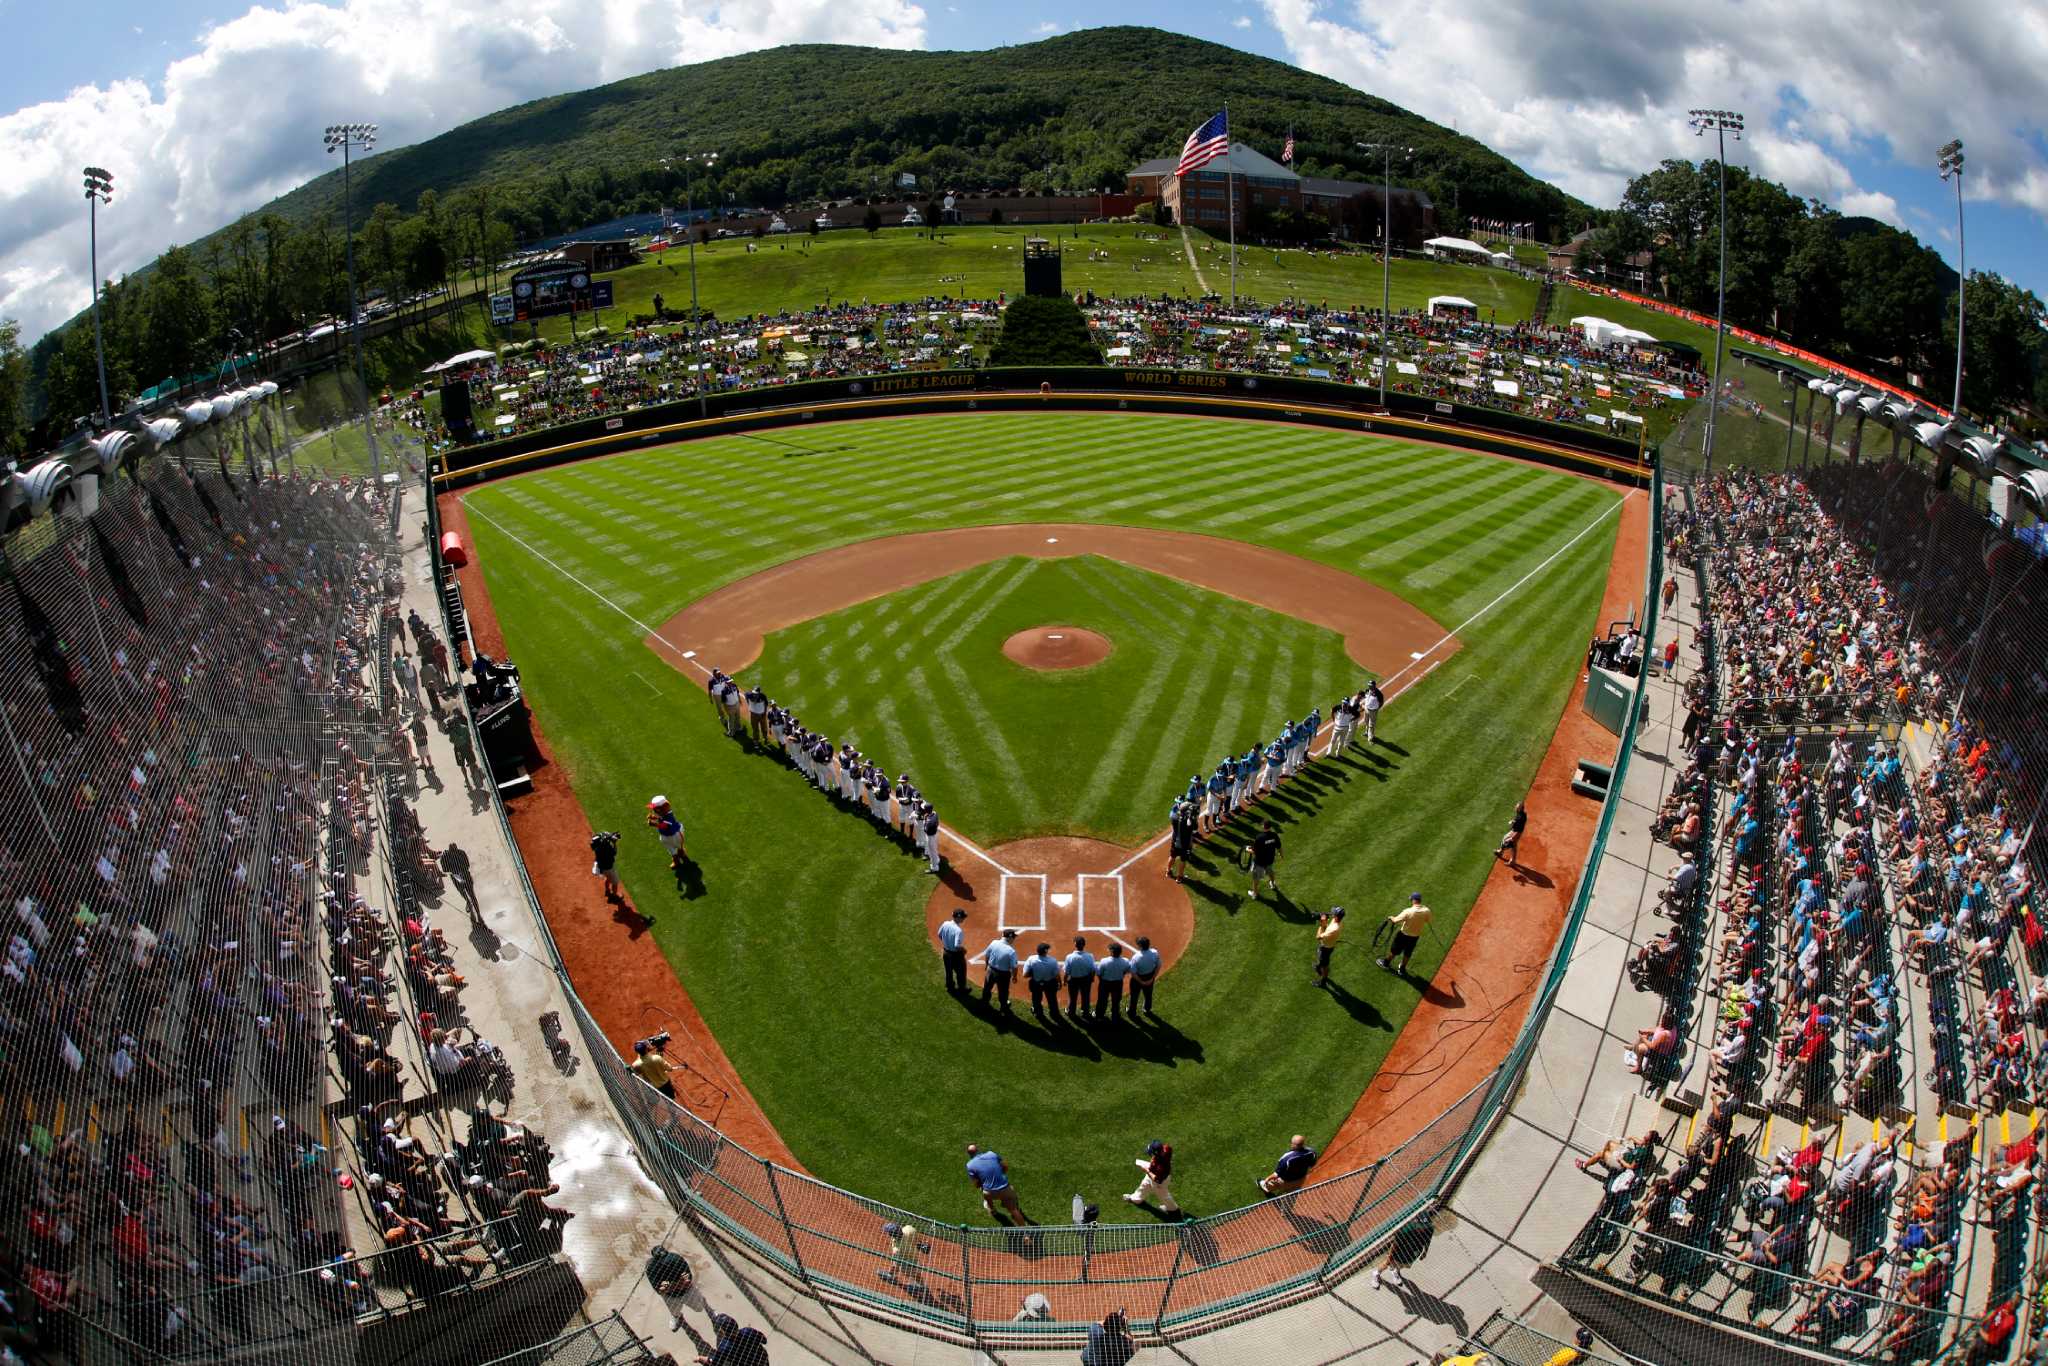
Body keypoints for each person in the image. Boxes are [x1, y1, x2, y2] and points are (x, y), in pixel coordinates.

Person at [1371, 1199, 1438, 1288]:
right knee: (1387, 1263)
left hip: (1413, 1252)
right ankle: (1376, 1274)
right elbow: (1395, 1244)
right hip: (1400, 1250)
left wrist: (1425, 1252)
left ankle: (1395, 1272)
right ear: (1416, 1222)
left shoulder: (1429, 1229)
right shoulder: (1405, 1230)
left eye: (1424, 1226)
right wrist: (1390, 1257)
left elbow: (1427, 1240)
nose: (1422, 1229)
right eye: (1420, 1226)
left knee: (1402, 1265)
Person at [965, 1143, 1034, 1224]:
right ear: (978, 1149)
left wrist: (983, 1183)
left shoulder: (970, 1165)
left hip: (990, 1193)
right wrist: (1000, 1175)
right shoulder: (991, 1154)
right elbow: (1005, 1167)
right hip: (1006, 1190)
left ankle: (992, 1209)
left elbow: (977, 1184)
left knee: (985, 1192)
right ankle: (1026, 1234)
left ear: (969, 1154)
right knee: (1014, 1210)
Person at [1378, 893, 1432, 975]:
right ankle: (1402, 969)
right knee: (1408, 952)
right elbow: (1428, 920)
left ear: (1414, 900)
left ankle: (1385, 963)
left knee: (1395, 950)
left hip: (1403, 935)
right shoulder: (1427, 911)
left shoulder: (1408, 911)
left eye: (1411, 899)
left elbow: (1395, 920)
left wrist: (1391, 917)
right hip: (1415, 937)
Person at [1124, 1140, 1179, 1215]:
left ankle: (1173, 1210)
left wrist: (1146, 1170)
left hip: (1159, 1182)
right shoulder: (1166, 1148)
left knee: (1163, 1195)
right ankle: (1136, 1199)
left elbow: (1157, 1179)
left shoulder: (1161, 1167)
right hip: (1155, 1173)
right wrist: (1152, 1163)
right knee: (1144, 1186)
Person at [696, 1311, 769, 1366]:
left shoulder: (724, 1347)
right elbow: (764, 1340)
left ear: (723, 1331)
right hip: (762, 1361)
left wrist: (699, 1358)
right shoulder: (748, 1331)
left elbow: (714, 1362)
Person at [876, 1219, 928, 1290]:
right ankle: (891, 1275)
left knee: (915, 1274)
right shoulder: (908, 1229)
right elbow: (916, 1238)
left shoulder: (897, 1248)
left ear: (892, 1235)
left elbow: (897, 1256)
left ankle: (922, 1286)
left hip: (909, 1260)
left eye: (888, 1233)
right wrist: (921, 1245)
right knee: (896, 1264)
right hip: (911, 1251)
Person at [981, 929, 1019, 1012]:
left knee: (987, 988)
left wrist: (987, 964)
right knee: (1003, 992)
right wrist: (1014, 976)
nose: (1014, 939)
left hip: (990, 970)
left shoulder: (994, 942)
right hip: (1003, 975)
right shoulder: (1011, 951)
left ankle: (984, 1003)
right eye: (1013, 938)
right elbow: (1014, 967)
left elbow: (987, 954)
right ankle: (1003, 1007)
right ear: (1009, 938)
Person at [1023, 941, 1063, 1019]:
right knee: (1052, 999)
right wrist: (1060, 983)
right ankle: (1054, 1013)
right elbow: (1057, 975)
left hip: (1036, 984)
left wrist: (1034, 973)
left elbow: (1025, 975)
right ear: (1046, 951)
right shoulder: (1053, 961)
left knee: (1036, 999)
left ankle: (1038, 1013)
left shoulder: (1031, 959)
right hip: (1050, 984)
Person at [647, 796, 686, 873]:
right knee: (671, 849)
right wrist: (654, 817)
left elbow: (665, 826)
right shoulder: (663, 813)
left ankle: (681, 853)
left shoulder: (669, 815)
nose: (653, 810)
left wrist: (653, 824)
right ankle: (676, 861)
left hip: (675, 835)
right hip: (665, 836)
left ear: (663, 808)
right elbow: (661, 818)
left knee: (679, 846)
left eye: (655, 809)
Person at [1245, 821, 1282, 900]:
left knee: (1256, 878)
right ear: (1270, 827)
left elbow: (1254, 851)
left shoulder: (1259, 837)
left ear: (1263, 826)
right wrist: (1281, 855)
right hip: (1269, 860)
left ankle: (1254, 894)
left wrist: (1247, 850)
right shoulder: (1274, 835)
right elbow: (1279, 846)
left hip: (1259, 862)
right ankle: (1272, 884)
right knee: (1270, 871)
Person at [440, 842, 479, 917]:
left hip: (464, 875)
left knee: (470, 893)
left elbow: (467, 865)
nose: (455, 852)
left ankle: (476, 910)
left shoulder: (461, 853)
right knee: (463, 892)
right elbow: (445, 869)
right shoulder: (446, 857)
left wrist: (460, 871)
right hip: (457, 876)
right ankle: (468, 902)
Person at [1095, 943, 1132, 1020]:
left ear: (1112, 952)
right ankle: (1115, 1015)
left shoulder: (1104, 961)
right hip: (1118, 983)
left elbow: (1098, 973)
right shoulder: (1125, 961)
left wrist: (1101, 980)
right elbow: (1127, 970)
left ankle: (1099, 1015)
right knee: (1116, 1000)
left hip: (1105, 983)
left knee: (1102, 1000)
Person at [1063, 936, 1097, 1017]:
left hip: (1073, 980)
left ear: (1075, 945)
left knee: (1073, 997)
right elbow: (1093, 970)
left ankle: (1071, 1012)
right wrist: (1091, 978)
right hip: (1085, 980)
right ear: (1084, 945)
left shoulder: (1069, 957)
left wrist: (1064, 980)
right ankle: (1085, 1012)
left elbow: (1067, 972)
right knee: (1085, 996)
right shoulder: (1090, 956)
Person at [938, 909, 968, 994]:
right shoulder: (958, 930)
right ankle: (962, 989)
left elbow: (939, 934)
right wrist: (964, 950)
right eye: (963, 917)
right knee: (961, 972)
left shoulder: (945, 923)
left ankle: (950, 987)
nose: (963, 919)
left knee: (948, 971)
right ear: (958, 918)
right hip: (956, 955)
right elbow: (957, 946)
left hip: (946, 952)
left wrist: (946, 942)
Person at [1129, 937, 1160, 1016]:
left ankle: (1132, 1011)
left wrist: (1141, 981)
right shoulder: (1154, 952)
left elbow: (1133, 973)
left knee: (1134, 996)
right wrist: (1152, 978)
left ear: (1140, 946)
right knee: (1148, 995)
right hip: (1150, 976)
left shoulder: (1136, 957)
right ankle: (1147, 1009)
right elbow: (1158, 966)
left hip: (1137, 979)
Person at [1314, 908, 1344, 988]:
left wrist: (1321, 925)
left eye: (1333, 913)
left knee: (1325, 965)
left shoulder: (1333, 929)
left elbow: (1318, 937)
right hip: (1328, 945)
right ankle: (1319, 966)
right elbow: (1326, 927)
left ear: (1337, 917)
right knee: (1320, 959)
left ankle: (1323, 981)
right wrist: (1325, 919)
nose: (1332, 914)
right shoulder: (1338, 921)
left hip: (1326, 948)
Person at [591, 830, 623, 903]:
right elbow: (614, 852)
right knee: (615, 883)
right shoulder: (606, 848)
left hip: (602, 868)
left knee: (607, 878)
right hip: (609, 868)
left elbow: (601, 839)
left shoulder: (597, 848)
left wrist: (608, 837)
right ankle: (614, 897)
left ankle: (607, 891)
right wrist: (614, 843)